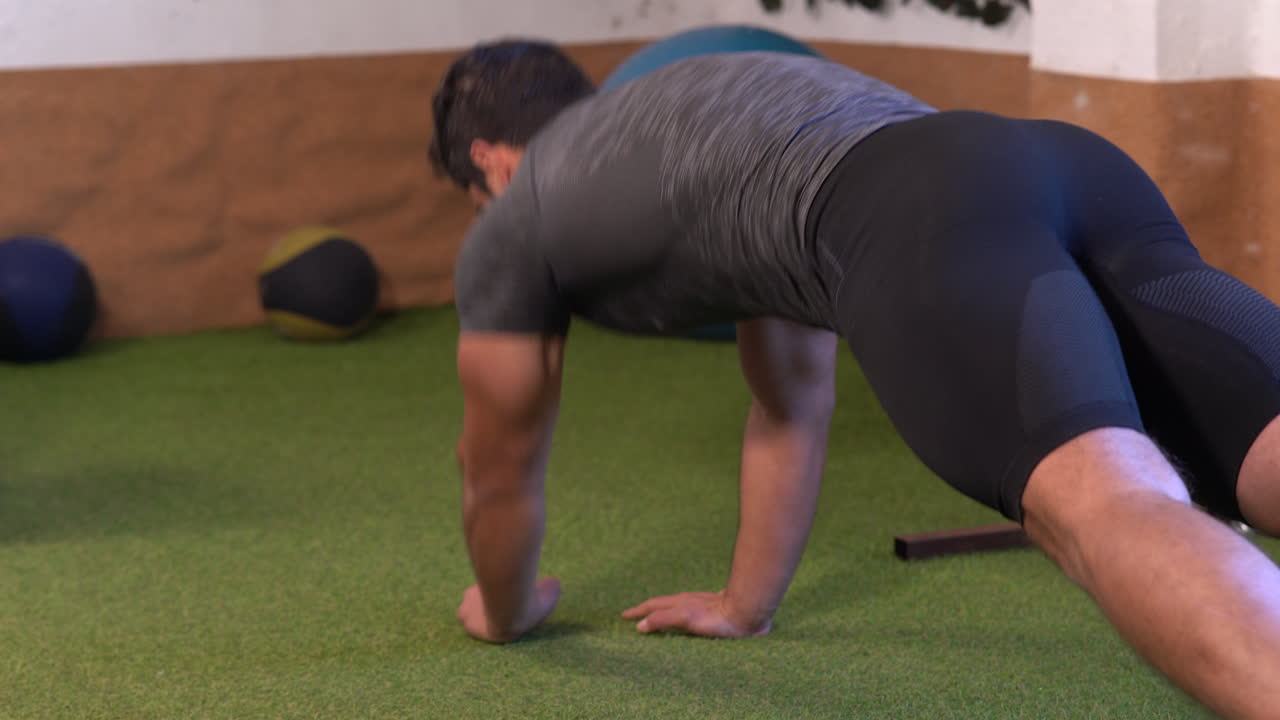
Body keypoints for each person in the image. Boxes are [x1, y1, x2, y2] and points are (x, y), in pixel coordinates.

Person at [429, 38, 1280, 720]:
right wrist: (743, 606)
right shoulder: (704, 104)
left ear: (491, 164)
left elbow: (496, 469)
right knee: (1261, 445)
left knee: (1105, 501)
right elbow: (789, 401)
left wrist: (504, 611)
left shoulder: (516, 221)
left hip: (921, 211)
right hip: (1058, 163)